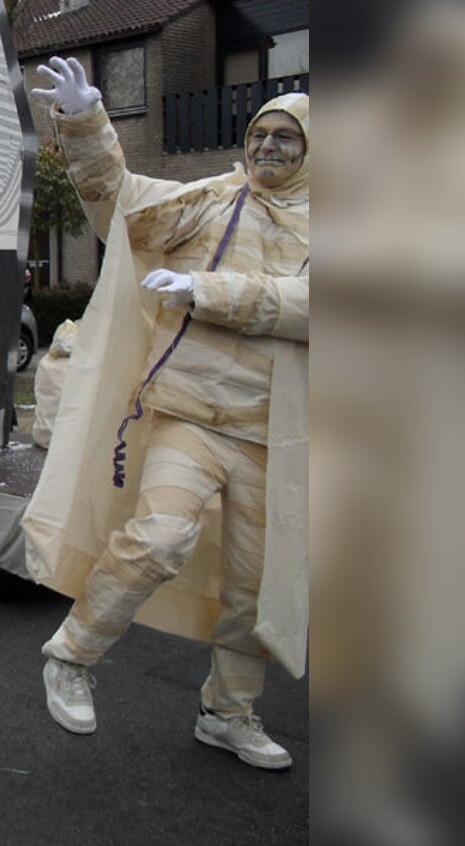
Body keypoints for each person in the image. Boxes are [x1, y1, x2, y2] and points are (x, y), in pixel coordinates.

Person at [21, 57, 308, 770]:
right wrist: (87, 122)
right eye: (260, 133)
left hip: (276, 434)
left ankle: (228, 713)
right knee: (161, 537)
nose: (268, 147)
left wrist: (206, 291)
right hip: (188, 414)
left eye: (287, 139)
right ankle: (71, 655)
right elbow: (120, 204)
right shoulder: (212, 200)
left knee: (253, 586)